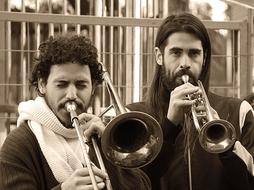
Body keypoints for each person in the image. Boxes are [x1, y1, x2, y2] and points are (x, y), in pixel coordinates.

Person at [0, 34, 151, 190]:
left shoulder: (100, 134)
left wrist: (111, 151)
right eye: (62, 84)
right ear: (42, 84)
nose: (71, 94)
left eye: (81, 85)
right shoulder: (19, 145)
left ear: (92, 87)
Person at [127, 13, 254, 190]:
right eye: (176, 53)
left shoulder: (239, 110)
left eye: (194, 53)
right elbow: (135, 183)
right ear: (159, 56)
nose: (185, 63)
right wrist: (169, 126)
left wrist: (225, 146)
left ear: (204, 58)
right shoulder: (134, 118)